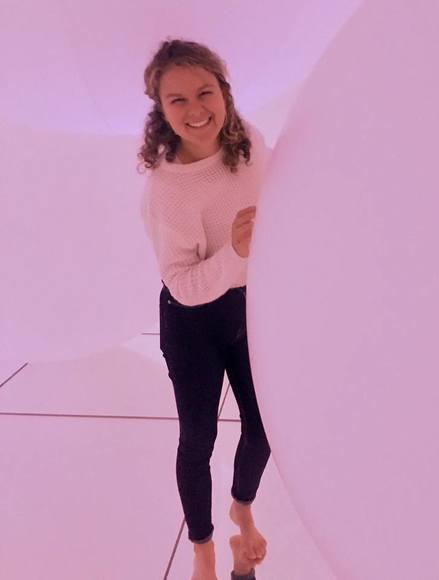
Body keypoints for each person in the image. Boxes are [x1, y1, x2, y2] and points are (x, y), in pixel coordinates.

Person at [137, 38, 272, 580]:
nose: (196, 110)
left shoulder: (250, 143)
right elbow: (182, 282)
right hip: (191, 320)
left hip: (247, 307)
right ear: (160, 110)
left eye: (205, 92)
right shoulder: (167, 190)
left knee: (264, 427)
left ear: (224, 91)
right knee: (199, 440)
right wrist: (235, 252)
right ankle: (202, 545)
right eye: (178, 100)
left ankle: (242, 506)